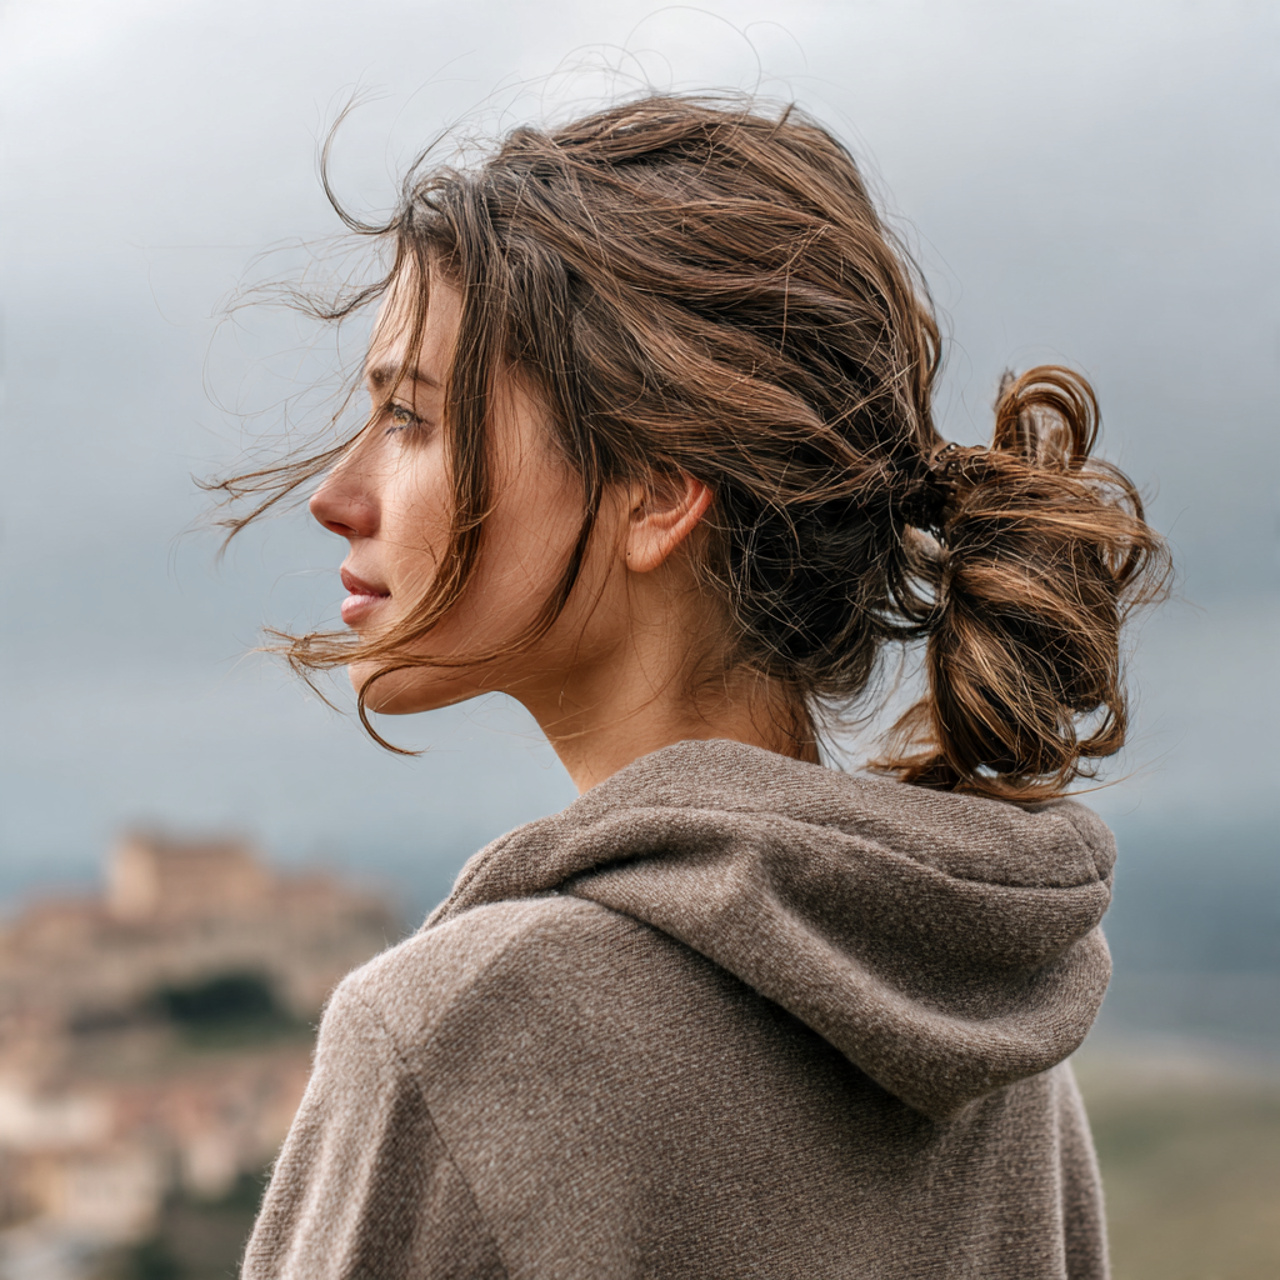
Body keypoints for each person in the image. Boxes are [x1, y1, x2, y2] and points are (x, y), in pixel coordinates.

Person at [230, 95, 1166, 1279]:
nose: (335, 493)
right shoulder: (994, 1043)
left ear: (656, 492)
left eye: (410, 416)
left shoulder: (458, 1035)